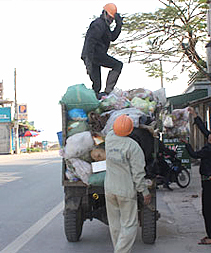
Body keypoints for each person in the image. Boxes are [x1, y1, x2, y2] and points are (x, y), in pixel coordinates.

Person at [105, 114, 151, 253]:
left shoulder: (108, 139)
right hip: (125, 191)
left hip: (109, 189)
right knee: (129, 225)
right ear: (130, 131)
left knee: (115, 225)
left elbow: (112, 130)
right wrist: (144, 191)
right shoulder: (133, 146)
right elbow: (138, 173)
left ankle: (120, 249)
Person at [183, 107, 211, 245]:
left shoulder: (210, 149)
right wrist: (195, 116)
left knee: (207, 210)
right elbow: (205, 131)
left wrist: (187, 144)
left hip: (209, 181)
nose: (210, 136)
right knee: (208, 208)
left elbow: (194, 155)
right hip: (209, 180)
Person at [81, 3, 123, 99]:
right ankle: (108, 92)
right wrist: (88, 61)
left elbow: (112, 37)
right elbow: (90, 42)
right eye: (110, 17)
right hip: (93, 55)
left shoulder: (104, 25)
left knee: (97, 86)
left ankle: (95, 100)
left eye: (113, 19)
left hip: (96, 56)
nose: (111, 20)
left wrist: (118, 25)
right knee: (117, 65)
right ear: (104, 13)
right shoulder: (98, 24)